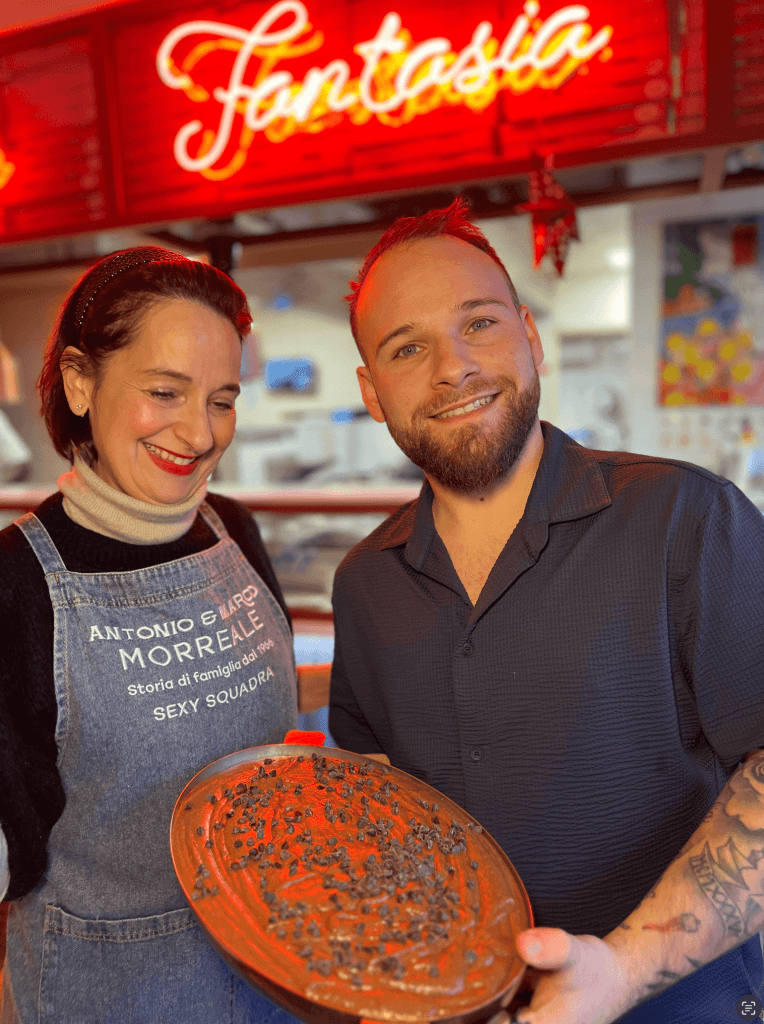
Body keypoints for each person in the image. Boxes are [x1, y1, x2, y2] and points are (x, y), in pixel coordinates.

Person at [329, 200, 764, 1024]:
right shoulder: (364, 584)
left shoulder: (687, 518)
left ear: (531, 337)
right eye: (407, 348)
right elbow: (378, 799)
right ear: (371, 392)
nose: (453, 367)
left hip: (686, 1004)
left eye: (479, 324)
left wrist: (623, 970)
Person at [0, 248, 314, 1024]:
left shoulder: (232, 528)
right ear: (80, 381)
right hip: (117, 990)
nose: (200, 433)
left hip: (280, 962)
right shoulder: (16, 582)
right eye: (165, 391)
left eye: (222, 400)